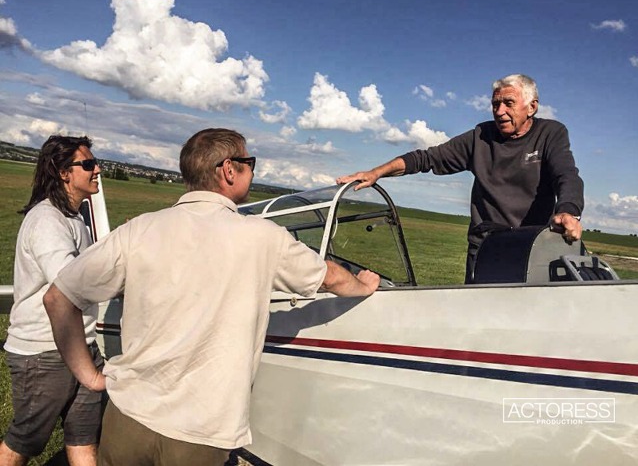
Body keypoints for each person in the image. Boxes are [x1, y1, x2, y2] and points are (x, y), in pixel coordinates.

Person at [42, 128, 380, 466]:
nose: (253, 170)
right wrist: (363, 285)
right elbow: (331, 278)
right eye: (250, 163)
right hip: (200, 433)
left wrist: (90, 377)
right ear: (229, 170)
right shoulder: (263, 237)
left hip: (127, 417)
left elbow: (58, 298)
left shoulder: (139, 228)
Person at [337, 74, 584, 283]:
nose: (500, 112)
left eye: (508, 103)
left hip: (533, 247)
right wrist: (376, 172)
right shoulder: (481, 136)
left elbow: (567, 174)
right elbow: (426, 158)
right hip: (487, 248)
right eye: (495, 104)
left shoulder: (551, 133)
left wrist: (568, 211)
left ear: (532, 107)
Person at [0, 136, 104, 466]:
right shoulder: (47, 219)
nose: (97, 169)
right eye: (87, 164)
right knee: (25, 441)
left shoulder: (73, 218)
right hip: (44, 350)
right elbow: (68, 281)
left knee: (84, 439)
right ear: (63, 173)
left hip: (82, 345)